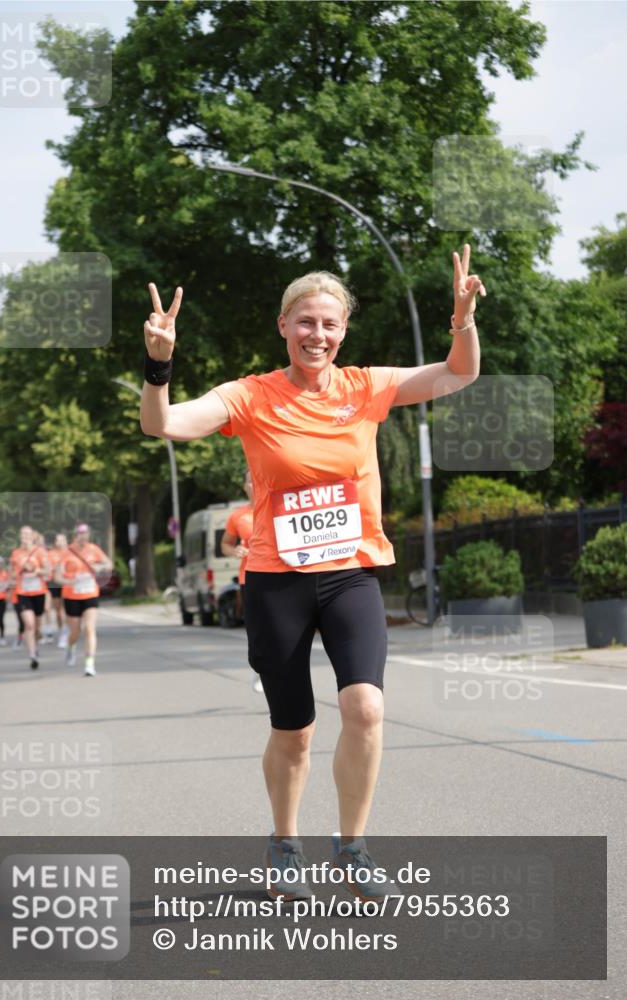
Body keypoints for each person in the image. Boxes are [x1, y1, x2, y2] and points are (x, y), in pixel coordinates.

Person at [140, 245, 484, 902]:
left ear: (343, 330)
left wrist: (461, 319)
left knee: (365, 707)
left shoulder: (366, 387)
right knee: (293, 730)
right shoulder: (248, 395)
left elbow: (457, 374)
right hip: (276, 580)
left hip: (351, 572)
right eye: (304, 322)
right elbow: (163, 424)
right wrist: (158, 362)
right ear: (282, 326)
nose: (316, 334)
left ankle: (352, 847)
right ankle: (283, 841)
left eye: (328, 323)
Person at [220, 468, 262, 692]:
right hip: (249, 577)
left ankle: (276, 668)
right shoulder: (238, 515)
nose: (254, 485)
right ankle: (259, 668)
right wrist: (234, 550)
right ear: (245, 486)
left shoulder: (276, 508)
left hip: (277, 575)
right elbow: (225, 544)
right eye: (249, 481)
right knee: (255, 627)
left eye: (257, 479)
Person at [54, 523, 112, 677]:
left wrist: (100, 567)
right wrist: (69, 582)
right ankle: (70, 647)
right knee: (75, 632)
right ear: (75, 536)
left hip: (90, 594)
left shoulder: (94, 549)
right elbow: (57, 577)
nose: (83, 537)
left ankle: (89, 664)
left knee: (89, 628)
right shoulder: (66, 553)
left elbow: (109, 563)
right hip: (72, 595)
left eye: (86, 534)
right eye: (80, 534)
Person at [9, 525, 50, 670]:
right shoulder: (15, 554)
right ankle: (32, 655)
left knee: (37, 627)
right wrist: (21, 570)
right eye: (22, 534)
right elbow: (12, 575)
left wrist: (35, 570)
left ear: (33, 536)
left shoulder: (40, 552)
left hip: (38, 592)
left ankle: (35, 646)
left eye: (27, 534)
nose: (25, 537)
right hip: (23, 592)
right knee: (29, 624)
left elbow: (48, 571)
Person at [47, 533, 69, 649]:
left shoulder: (71, 552)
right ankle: (63, 631)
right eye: (58, 540)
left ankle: (69, 629)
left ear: (66, 541)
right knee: (59, 610)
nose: (60, 542)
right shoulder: (51, 554)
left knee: (68, 609)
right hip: (55, 583)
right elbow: (48, 568)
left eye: (62, 540)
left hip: (68, 582)